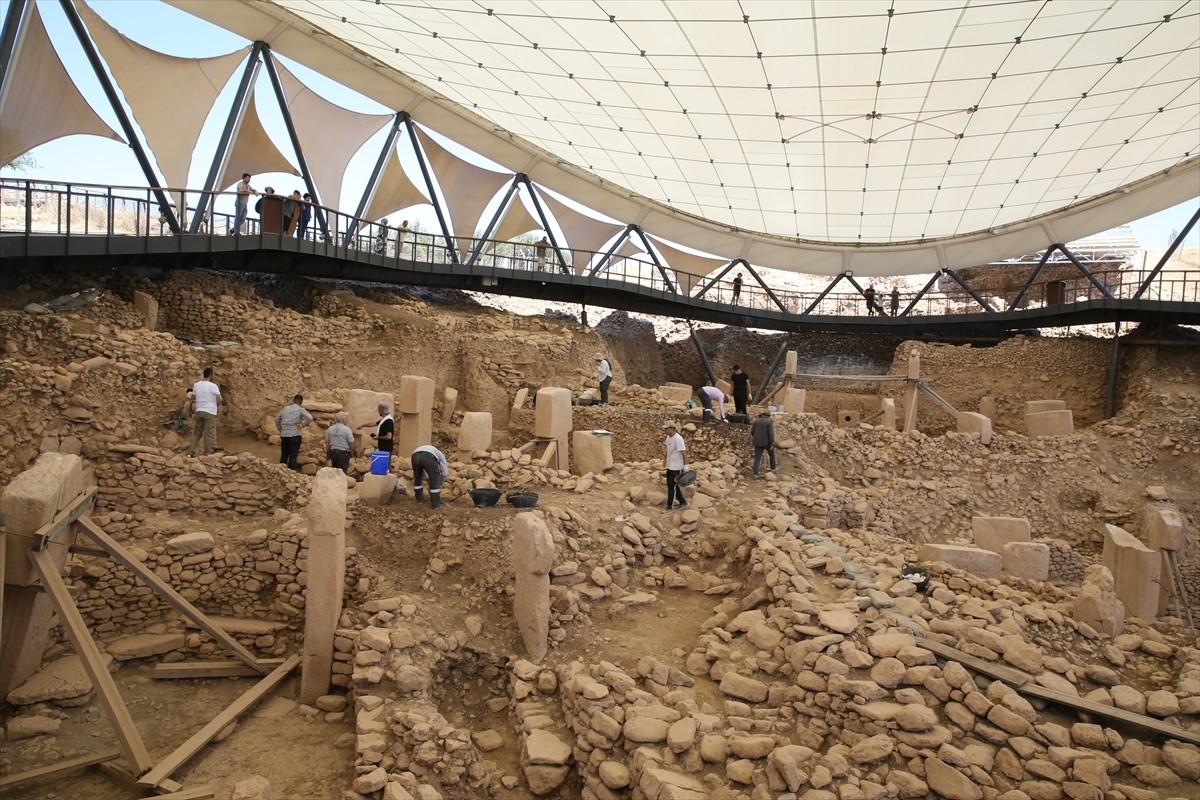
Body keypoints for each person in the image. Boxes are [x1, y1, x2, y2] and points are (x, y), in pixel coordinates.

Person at [187, 367, 222, 456]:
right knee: (209, 433)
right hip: (210, 412)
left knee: (197, 433)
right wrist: (216, 404)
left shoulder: (196, 385)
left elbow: (193, 398)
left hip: (199, 411)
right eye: (213, 374)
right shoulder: (213, 386)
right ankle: (207, 453)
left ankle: (190, 452)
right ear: (211, 375)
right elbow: (220, 399)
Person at [274, 394, 313, 471]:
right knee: (293, 455)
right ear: (301, 402)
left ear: (293, 400)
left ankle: (281, 472)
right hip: (295, 434)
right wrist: (302, 425)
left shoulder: (285, 409)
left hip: (284, 435)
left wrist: (280, 428)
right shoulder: (300, 409)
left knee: (284, 454)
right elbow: (310, 418)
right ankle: (291, 472)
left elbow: (276, 419)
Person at [411, 444, 449, 509]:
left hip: (415, 455)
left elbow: (423, 472)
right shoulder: (441, 456)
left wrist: (427, 479)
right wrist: (438, 483)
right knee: (435, 478)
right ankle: (435, 504)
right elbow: (445, 473)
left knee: (417, 477)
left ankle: (419, 500)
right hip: (428, 456)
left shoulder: (432, 450)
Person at [662, 421, 687, 513]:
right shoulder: (668, 437)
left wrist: (685, 465)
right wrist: (665, 460)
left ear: (672, 428)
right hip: (670, 465)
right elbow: (667, 450)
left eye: (666, 429)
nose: (665, 430)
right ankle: (683, 502)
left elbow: (684, 452)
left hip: (676, 467)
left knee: (672, 487)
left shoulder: (678, 439)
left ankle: (669, 506)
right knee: (672, 485)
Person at [750, 411, 776, 477]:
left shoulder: (756, 421)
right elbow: (771, 434)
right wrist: (771, 444)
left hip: (757, 442)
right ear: (768, 416)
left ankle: (756, 474)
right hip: (767, 442)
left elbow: (752, 431)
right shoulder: (769, 422)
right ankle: (773, 468)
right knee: (771, 454)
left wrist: (756, 437)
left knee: (757, 457)